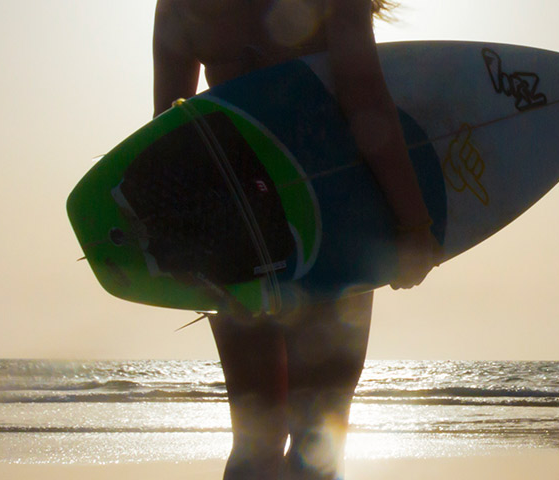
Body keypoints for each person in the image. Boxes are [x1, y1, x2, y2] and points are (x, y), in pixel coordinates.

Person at [151, 1, 437, 479]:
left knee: (256, 438)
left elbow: (166, 128)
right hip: (327, 217)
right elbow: (362, 97)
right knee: (317, 436)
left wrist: (187, 248)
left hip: (232, 225)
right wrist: (414, 225)